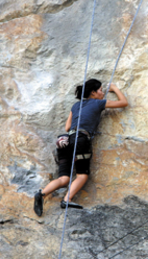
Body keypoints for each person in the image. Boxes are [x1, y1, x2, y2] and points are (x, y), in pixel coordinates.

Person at [33, 79, 128, 216]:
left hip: (65, 140)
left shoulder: (76, 105)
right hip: (81, 140)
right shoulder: (98, 103)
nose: (103, 93)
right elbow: (123, 103)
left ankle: (41, 194)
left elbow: (67, 127)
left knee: (64, 179)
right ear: (93, 93)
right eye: (101, 90)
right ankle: (67, 199)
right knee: (82, 175)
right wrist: (114, 88)